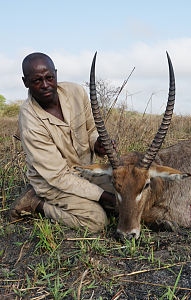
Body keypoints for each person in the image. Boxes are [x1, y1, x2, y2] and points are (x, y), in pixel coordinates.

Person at [9, 52, 117, 233]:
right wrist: (102, 196)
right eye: (37, 81)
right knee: (97, 221)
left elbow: (91, 130)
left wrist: (96, 144)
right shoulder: (30, 122)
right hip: (53, 183)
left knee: (126, 196)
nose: (45, 85)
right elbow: (59, 177)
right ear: (25, 82)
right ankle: (36, 203)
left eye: (49, 78)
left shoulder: (76, 92)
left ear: (56, 73)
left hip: (86, 172)